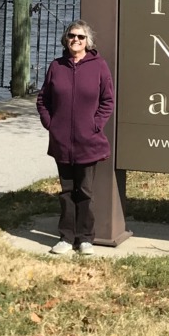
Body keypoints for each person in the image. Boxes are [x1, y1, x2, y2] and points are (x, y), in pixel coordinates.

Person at [35, 20, 115, 255]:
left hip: (88, 142)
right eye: (72, 36)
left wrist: (95, 125)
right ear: (66, 39)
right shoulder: (56, 66)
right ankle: (66, 237)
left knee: (85, 191)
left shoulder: (99, 66)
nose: (76, 40)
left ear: (87, 41)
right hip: (62, 142)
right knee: (66, 192)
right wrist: (51, 125)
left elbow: (107, 101)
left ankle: (85, 238)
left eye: (80, 37)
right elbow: (43, 100)